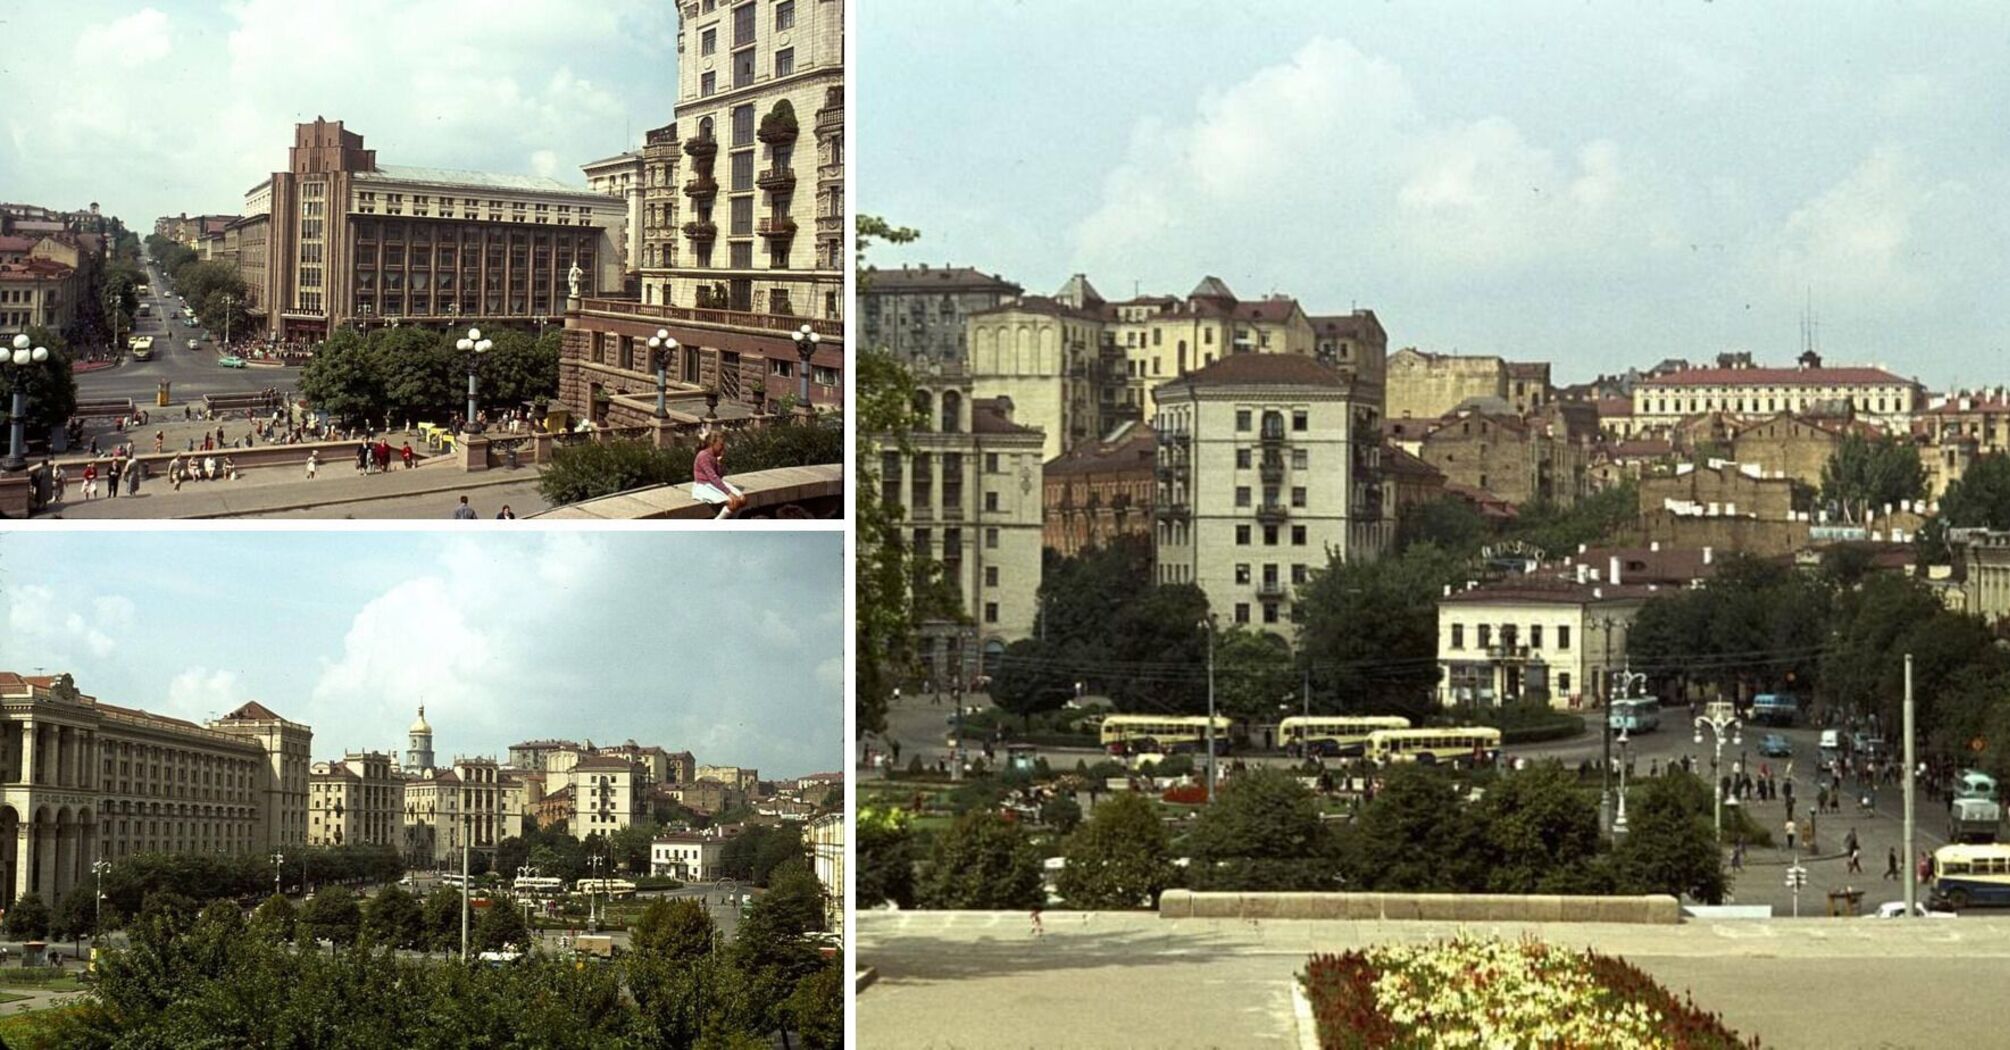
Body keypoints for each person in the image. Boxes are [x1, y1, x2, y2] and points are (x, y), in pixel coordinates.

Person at [691, 431, 746, 519]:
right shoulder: (703, 456)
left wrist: (719, 463)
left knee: (742, 499)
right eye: (721, 444)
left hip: (714, 483)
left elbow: (719, 476)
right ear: (713, 443)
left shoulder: (714, 456)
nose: (722, 447)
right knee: (732, 502)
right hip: (704, 485)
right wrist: (729, 493)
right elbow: (713, 477)